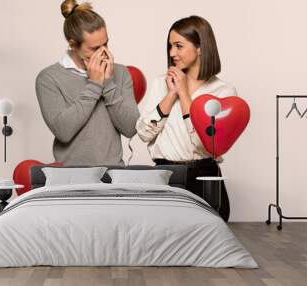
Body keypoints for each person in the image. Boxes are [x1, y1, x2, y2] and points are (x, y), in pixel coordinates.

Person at [136, 15, 237, 221]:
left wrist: (183, 96)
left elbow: (206, 145)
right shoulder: (160, 84)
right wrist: (170, 94)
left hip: (205, 175)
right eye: (170, 46)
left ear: (200, 47)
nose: (172, 53)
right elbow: (143, 133)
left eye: (179, 46)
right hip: (165, 174)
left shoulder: (223, 92)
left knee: (209, 243)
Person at [36, 0, 139, 166]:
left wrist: (107, 83)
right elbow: (63, 131)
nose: (104, 53)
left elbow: (131, 128)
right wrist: (94, 85)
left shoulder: (120, 73)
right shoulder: (49, 78)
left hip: (113, 176)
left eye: (105, 43)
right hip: (70, 179)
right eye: (94, 48)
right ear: (72, 44)